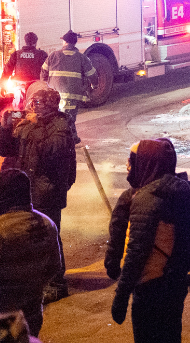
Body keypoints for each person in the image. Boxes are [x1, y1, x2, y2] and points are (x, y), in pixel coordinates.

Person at [105, 139, 190, 343]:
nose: (127, 165)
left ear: (146, 162)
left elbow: (136, 253)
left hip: (151, 286)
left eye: (132, 160)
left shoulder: (146, 198)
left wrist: (121, 296)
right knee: (171, 334)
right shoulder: (187, 190)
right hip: (177, 282)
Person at [0, 89, 75, 303]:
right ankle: (37, 278)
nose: (33, 106)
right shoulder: (26, 123)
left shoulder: (62, 126)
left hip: (48, 189)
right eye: (32, 102)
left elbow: (51, 152)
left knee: (49, 234)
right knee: (28, 234)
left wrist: (34, 125)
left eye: (38, 103)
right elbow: (6, 150)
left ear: (51, 105)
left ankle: (57, 284)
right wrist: (6, 126)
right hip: (28, 188)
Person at [0, 170, 61, 338]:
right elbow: (56, 265)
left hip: (5, 316)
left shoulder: (2, 228)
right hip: (33, 310)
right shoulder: (48, 223)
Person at [40, 30, 95, 144]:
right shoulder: (82, 58)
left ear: (65, 42)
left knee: (54, 116)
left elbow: (43, 74)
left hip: (53, 94)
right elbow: (92, 75)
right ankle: (68, 140)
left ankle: (60, 137)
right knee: (69, 118)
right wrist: (94, 86)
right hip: (72, 95)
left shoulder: (53, 55)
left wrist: (48, 85)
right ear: (74, 43)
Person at [2, 33, 46, 109]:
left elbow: (7, 71)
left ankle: (18, 118)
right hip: (36, 86)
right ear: (36, 42)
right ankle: (34, 119)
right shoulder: (41, 54)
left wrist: (2, 86)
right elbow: (47, 71)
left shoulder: (16, 54)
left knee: (18, 108)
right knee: (37, 108)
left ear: (25, 41)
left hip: (19, 86)